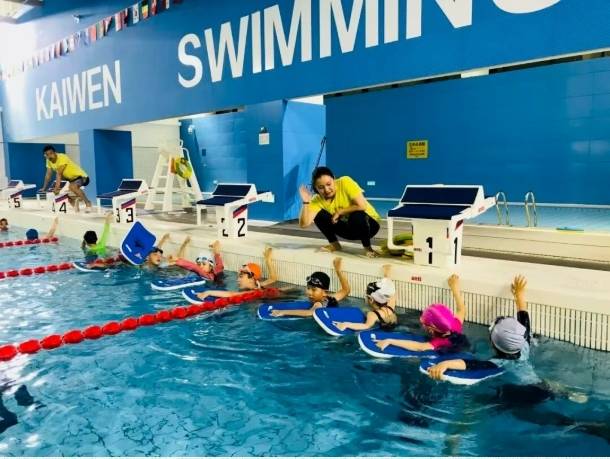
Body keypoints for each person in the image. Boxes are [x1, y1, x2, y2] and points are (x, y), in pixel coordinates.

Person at [424, 275, 536, 382]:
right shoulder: (523, 344)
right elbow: (524, 318)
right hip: (535, 382)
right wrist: (519, 294)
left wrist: (445, 364)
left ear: (492, 344)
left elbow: (470, 364)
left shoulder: (498, 364)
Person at [298, 166, 382, 258]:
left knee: (357, 215)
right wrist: (306, 202)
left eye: (329, 184)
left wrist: (340, 212)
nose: (326, 190)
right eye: (321, 187)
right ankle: (335, 245)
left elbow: (362, 206)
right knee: (319, 215)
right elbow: (304, 224)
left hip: (370, 226)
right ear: (315, 188)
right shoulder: (316, 200)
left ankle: (368, 248)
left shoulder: (345, 182)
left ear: (334, 179)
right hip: (349, 230)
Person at [374, 274, 469, 353]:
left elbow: (420, 347)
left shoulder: (438, 342)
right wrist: (455, 287)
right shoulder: (455, 325)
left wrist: (390, 341)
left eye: (424, 323)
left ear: (431, 329)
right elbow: (461, 310)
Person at [270, 257, 350, 318]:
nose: (309, 292)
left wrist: (283, 312)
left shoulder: (319, 303)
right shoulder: (331, 298)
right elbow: (346, 290)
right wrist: (338, 270)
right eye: (308, 288)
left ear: (324, 291)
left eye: (314, 290)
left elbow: (310, 312)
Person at [333, 264, 398, 332]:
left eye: (367, 296)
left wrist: (346, 324)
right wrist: (387, 271)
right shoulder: (391, 305)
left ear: (371, 300)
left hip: (381, 329)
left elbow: (365, 326)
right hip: (392, 326)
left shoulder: (373, 315)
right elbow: (388, 288)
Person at [195, 247, 278, 300]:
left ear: (251, 279)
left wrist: (208, 292)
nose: (237, 279)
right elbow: (273, 278)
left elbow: (232, 294)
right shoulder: (259, 285)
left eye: (241, 277)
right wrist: (268, 260)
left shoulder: (253, 292)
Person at [39, 145, 92, 212]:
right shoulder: (48, 161)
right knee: (65, 194)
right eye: (47, 154)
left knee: (72, 187)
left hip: (82, 177)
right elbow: (48, 175)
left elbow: (59, 174)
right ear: (45, 155)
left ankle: (88, 203)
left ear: (55, 153)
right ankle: (76, 207)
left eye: (51, 153)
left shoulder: (62, 157)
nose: (49, 156)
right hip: (71, 180)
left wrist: (57, 188)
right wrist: (44, 187)